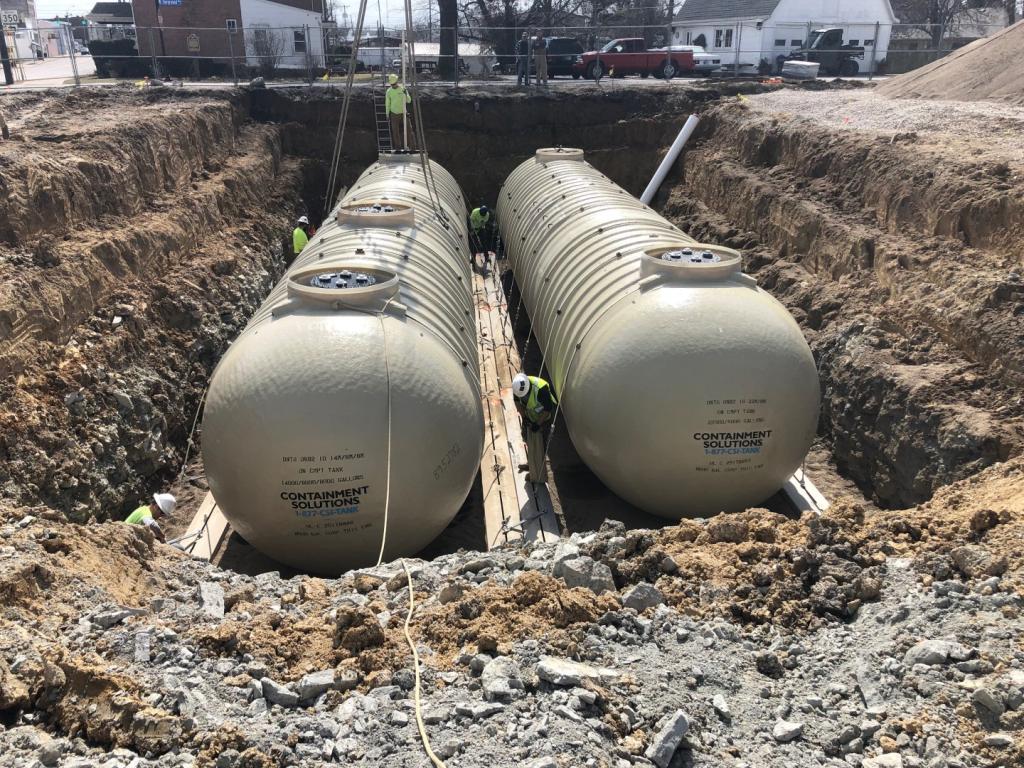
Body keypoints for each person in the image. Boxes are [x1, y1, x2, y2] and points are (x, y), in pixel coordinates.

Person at [512, 373, 557, 483]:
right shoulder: (517, 388)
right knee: (527, 438)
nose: (523, 396)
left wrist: (538, 424)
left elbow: (547, 410)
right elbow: (517, 402)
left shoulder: (541, 389)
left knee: (541, 444)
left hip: (545, 417)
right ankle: (531, 465)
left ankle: (538, 474)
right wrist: (525, 418)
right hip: (531, 414)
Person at [385, 73, 412, 150]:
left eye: (394, 83)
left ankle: (411, 148)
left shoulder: (402, 89)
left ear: (397, 82)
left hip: (404, 113)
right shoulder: (389, 91)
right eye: (392, 84)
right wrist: (387, 114)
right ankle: (398, 149)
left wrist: (405, 94)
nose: (394, 85)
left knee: (409, 130)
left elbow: (409, 101)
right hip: (394, 114)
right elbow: (387, 103)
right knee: (395, 132)